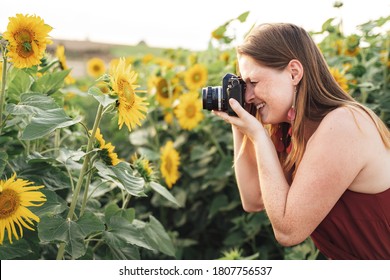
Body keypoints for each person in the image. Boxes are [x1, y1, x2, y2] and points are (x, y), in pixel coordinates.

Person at [212, 23, 390, 260]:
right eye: (243, 86)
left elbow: (288, 232)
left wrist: (258, 136)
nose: (248, 95)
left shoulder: (344, 124)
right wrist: (238, 118)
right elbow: (253, 200)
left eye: (253, 82)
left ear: (294, 73)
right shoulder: (288, 131)